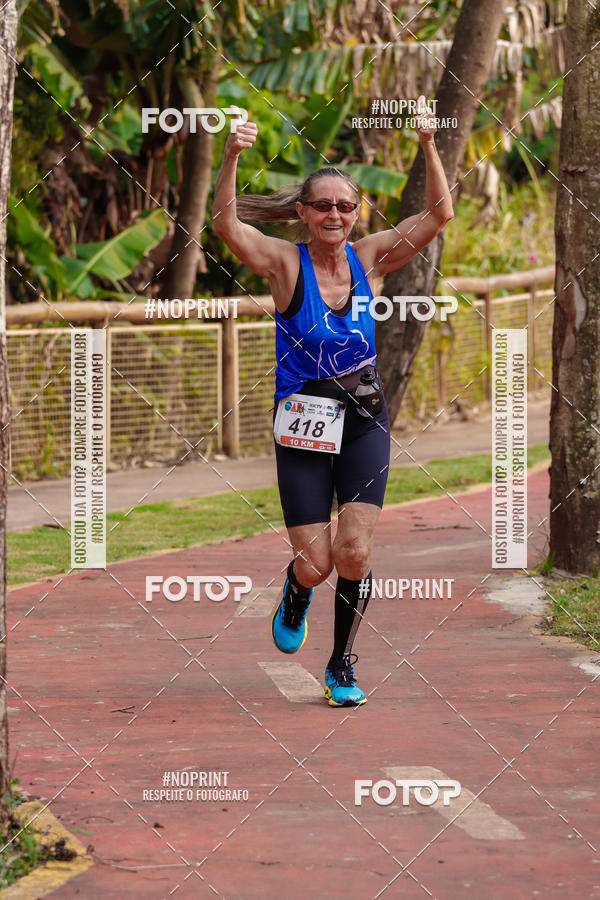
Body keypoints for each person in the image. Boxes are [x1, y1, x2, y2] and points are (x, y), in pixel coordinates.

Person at [212, 97, 453, 706]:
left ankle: (342, 662)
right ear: (303, 212)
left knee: (354, 551)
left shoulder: (370, 257)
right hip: (301, 423)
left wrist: (427, 144)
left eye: (347, 206)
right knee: (317, 562)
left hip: (365, 415)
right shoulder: (284, 262)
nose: (336, 215)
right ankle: (297, 589)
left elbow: (439, 213)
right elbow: (227, 228)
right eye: (323, 205)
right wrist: (231, 156)